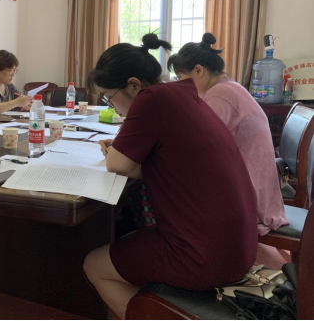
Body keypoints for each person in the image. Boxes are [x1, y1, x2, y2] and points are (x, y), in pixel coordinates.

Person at [83, 34, 258, 320]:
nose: (111, 106)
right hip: (239, 244)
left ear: (133, 85)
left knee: (94, 265)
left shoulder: (150, 99)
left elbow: (117, 163)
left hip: (206, 254)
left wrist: (119, 151)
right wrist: (125, 150)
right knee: (130, 239)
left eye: (109, 97)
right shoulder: (180, 94)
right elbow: (159, 164)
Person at [168, 33, 289, 267]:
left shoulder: (220, 95)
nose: (180, 84)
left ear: (198, 71)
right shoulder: (229, 87)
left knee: (173, 191)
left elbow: (197, 144)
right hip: (258, 182)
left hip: (248, 191)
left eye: (181, 77)